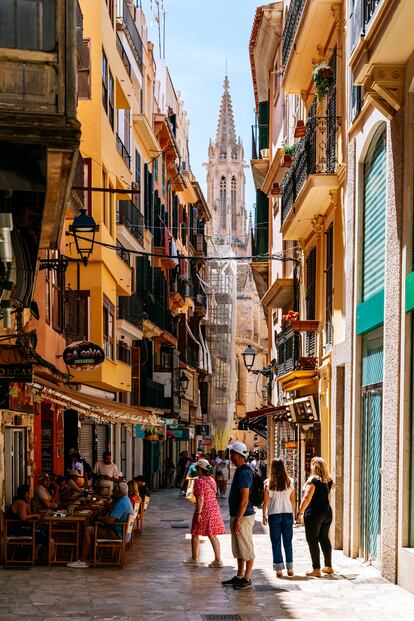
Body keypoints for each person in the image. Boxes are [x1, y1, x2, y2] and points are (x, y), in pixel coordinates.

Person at [67, 482, 134, 568]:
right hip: (122, 531)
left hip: (118, 534)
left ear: (120, 493)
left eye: (114, 492)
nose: (112, 493)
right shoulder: (125, 499)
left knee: (88, 530)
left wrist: (100, 518)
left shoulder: (122, 503)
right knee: (92, 526)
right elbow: (111, 508)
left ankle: (82, 560)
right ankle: (91, 556)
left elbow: (109, 521)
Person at [222, 441, 255, 591]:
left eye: (232, 453)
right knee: (239, 548)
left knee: (246, 547)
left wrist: (239, 520)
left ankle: (247, 577)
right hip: (237, 515)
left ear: (239, 455)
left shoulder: (243, 473)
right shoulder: (240, 470)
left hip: (243, 517)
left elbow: (245, 499)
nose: (230, 456)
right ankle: (240, 575)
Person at [295, 456, 335, 576]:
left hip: (314, 514)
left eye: (312, 465)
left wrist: (299, 513)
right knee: (324, 538)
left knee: (312, 540)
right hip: (327, 512)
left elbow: (307, 498)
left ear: (314, 467)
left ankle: (316, 569)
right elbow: (332, 486)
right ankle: (328, 566)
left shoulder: (313, 481)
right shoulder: (328, 480)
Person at [183, 459, 226, 567]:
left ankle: (194, 559)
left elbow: (200, 499)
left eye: (197, 468)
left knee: (195, 533)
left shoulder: (198, 481)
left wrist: (198, 513)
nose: (196, 470)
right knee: (212, 535)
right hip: (214, 508)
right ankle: (218, 560)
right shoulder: (212, 480)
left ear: (199, 470)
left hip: (204, 509)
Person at [262, 459, 295, 577]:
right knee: (288, 542)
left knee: (275, 542)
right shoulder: (290, 482)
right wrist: (293, 513)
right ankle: (290, 568)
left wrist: (264, 515)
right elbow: (292, 501)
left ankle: (279, 569)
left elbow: (265, 502)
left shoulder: (268, 483)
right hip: (287, 513)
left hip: (274, 514)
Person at [5, 484, 45, 559]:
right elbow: (23, 517)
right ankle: (34, 556)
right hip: (14, 529)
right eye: (30, 491)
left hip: (18, 527)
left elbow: (28, 513)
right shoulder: (21, 502)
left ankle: (35, 554)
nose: (31, 493)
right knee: (40, 533)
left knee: (42, 530)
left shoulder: (24, 502)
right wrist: (34, 516)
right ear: (26, 493)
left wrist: (36, 513)